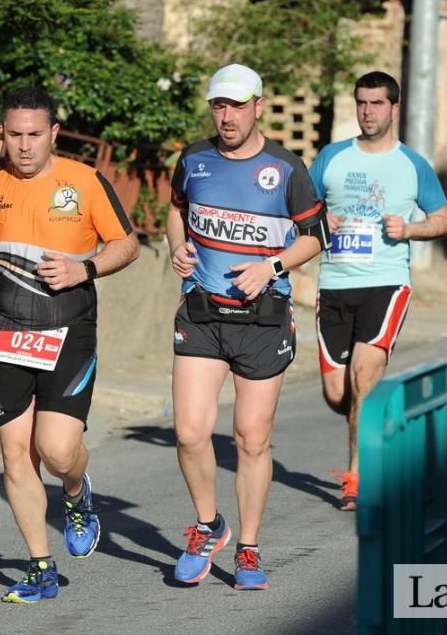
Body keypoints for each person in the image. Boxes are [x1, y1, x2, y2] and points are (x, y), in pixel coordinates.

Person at [0, 86, 140, 603]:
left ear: (54, 134)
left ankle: (75, 491)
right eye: (14, 135)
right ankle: (40, 567)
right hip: (4, 332)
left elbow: (128, 244)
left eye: (34, 135)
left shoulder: (83, 181)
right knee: (15, 455)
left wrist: (83, 268)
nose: (23, 146)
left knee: (57, 449)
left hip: (69, 330)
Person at [166, 63, 330, 590]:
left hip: (262, 319)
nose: (227, 116)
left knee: (252, 439)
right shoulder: (194, 159)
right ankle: (208, 525)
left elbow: (314, 236)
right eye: (219, 105)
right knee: (190, 432)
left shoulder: (286, 168)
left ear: (259, 105)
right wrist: (177, 246)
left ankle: (250, 549)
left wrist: (272, 266)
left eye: (237, 105)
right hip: (203, 312)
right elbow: (176, 209)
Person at [309, 71, 447, 511]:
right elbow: (300, 211)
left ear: (394, 108)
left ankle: (358, 478)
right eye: (362, 103)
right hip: (334, 284)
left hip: (387, 283)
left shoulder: (413, 165)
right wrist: (319, 222)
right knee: (338, 395)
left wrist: (410, 227)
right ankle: (380, 426)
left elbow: (445, 220)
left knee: (364, 376)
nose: (368, 111)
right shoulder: (331, 158)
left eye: (376, 104)